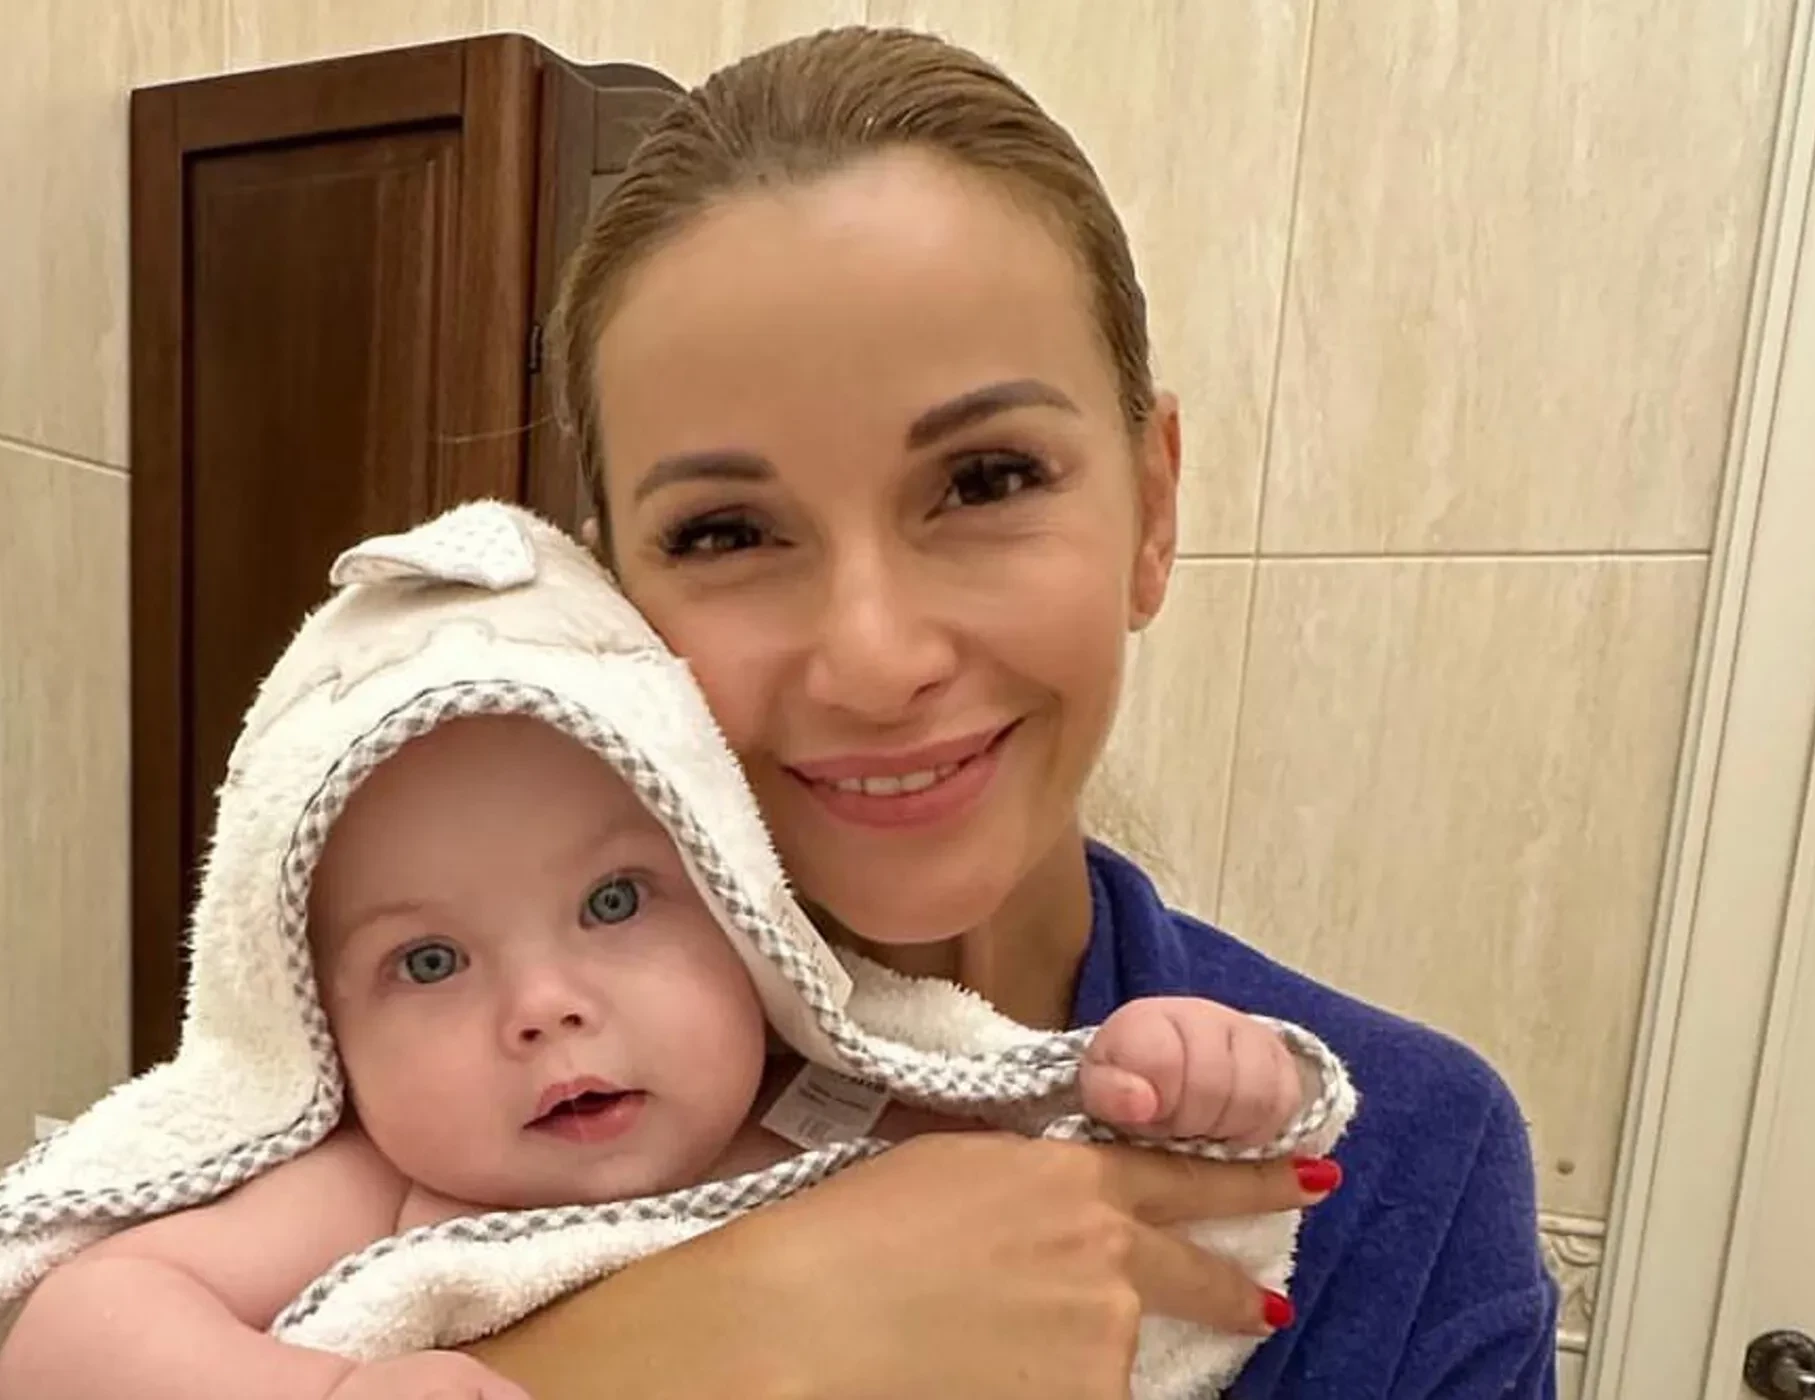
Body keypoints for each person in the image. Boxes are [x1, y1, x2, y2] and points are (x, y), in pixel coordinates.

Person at [462, 22, 1558, 1400]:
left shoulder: (1408, 1162)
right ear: (612, 602)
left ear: (1152, 509)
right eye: (727, 532)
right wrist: (674, 1343)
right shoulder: (469, 1078)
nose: (875, 660)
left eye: (985, 481)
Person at [0, 699, 1326, 1400]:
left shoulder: (843, 1111)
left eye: (617, 901)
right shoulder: (384, 1187)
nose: (544, 1007)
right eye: (430, 962)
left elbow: (1091, 1193)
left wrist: (1173, 1074)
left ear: (751, 925)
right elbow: (69, 1331)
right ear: (321, 1030)